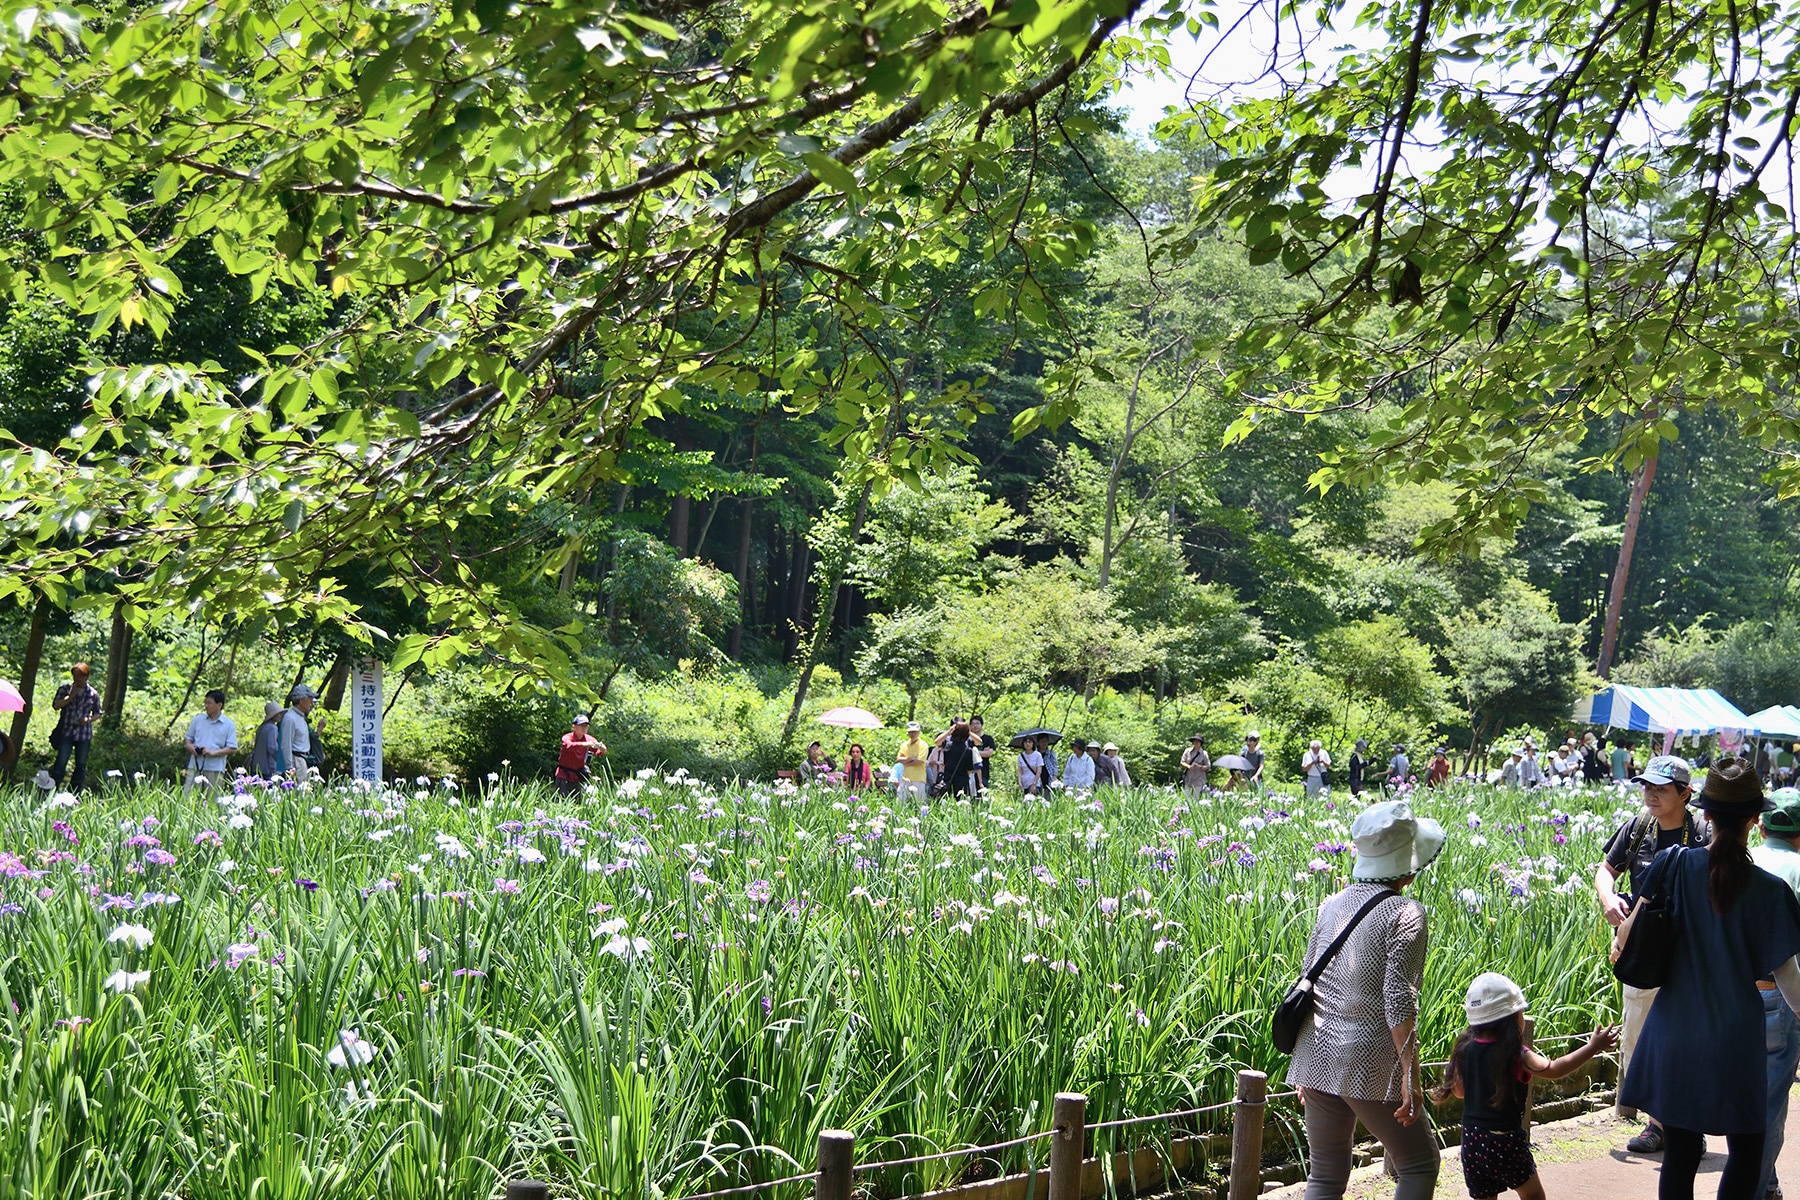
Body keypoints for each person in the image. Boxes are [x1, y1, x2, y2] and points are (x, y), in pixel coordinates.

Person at [1620, 758, 1800, 1200]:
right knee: (1746, 1149)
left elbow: (1627, 934)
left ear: (1706, 814)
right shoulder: (1769, 890)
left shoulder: (1672, 864)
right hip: (1735, 1037)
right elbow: (1790, 981)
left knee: (1680, 1152)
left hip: (1674, 1028)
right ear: (1755, 820)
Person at [1288, 799, 1446, 1200]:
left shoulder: (1331, 904)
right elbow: (1398, 1000)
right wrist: (1410, 1076)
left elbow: (1308, 977)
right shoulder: (1405, 912)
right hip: (1370, 1061)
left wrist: (1308, 1068)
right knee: (1419, 1165)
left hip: (1316, 1053)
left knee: (1325, 1174)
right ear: (1408, 869)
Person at [1593, 753, 1710, 1151]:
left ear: (1685, 794)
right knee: (1639, 1035)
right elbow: (1606, 869)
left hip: (1690, 950)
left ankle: (1667, 1123)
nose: (1651, 795)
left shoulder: (1703, 835)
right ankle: (1656, 1121)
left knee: (1686, 1037)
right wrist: (1609, 900)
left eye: (1661, 789)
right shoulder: (1639, 827)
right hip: (1643, 948)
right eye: (1647, 787)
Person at [1433, 973, 1618, 1200]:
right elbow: (1554, 1069)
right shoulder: (1516, 1054)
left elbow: (1459, 1093)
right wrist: (1593, 1047)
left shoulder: (1464, 1049)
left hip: (1472, 1139)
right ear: (1511, 1018)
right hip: (1505, 1141)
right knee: (1533, 1196)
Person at [1753, 788, 1800, 1200]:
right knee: (1769, 1104)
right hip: (1779, 997)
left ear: (1762, 824)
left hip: (1726, 997)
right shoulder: (1799, 868)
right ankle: (1754, 1188)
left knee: (1741, 1095)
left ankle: (1764, 1184)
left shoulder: (1741, 860)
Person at [47, 662, 102, 793]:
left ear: (86, 677)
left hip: (84, 735)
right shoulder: (65, 689)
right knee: (61, 762)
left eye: (80, 676)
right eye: (75, 676)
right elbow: (56, 705)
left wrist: (88, 719)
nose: (77, 679)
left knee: (81, 765)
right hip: (66, 732)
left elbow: (98, 713)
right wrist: (70, 696)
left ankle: (75, 794)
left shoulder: (93, 694)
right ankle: (52, 791)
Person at [182, 689, 239, 795]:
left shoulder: (228, 724)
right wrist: (190, 747)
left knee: (212, 800)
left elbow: (232, 747)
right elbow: (188, 738)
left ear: (219, 705)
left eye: (209, 703)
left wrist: (213, 753)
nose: (206, 706)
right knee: (189, 797)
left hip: (215, 768)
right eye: (205, 702)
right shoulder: (198, 720)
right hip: (195, 765)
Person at [553, 715, 606, 795]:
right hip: (563, 775)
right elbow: (568, 746)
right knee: (561, 802)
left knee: (577, 804)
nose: (584, 728)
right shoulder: (567, 737)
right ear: (574, 727)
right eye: (581, 726)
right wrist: (584, 744)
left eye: (586, 726)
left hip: (578, 777)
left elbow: (598, 752)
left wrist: (602, 749)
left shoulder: (589, 739)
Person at [276, 684, 317, 780]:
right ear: (301, 700)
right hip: (297, 761)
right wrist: (290, 768)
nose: (312, 703)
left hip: (303, 760)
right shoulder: (290, 718)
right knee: (300, 792)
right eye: (309, 699)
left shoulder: (300, 717)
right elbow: (286, 744)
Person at [939, 720, 980, 797]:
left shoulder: (948, 745)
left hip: (948, 779)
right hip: (962, 781)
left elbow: (937, 741)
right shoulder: (967, 749)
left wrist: (948, 731)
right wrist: (969, 731)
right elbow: (969, 769)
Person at [896, 723, 930, 802]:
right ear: (907, 733)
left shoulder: (923, 745)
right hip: (905, 778)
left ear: (919, 732)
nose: (912, 734)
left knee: (919, 802)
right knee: (900, 801)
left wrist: (905, 761)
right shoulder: (905, 745)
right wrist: (911, 758)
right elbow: (898, 759)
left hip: (918, 778)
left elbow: (919, 761)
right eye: (910, 732)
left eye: (915, 732)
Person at [249, 701, 283, 778]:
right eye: (278, 714)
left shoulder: (261, 727)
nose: (280, 715)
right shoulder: (272, 728)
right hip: (268, 767)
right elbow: (272, 748)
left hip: (257, 765)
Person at [969, 715, 998, 792]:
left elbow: (989, 753)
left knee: (982, 793)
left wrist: (973, 752)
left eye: (977, 723)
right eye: (973, 724)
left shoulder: (988, 739)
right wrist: (982, 752)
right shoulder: (967, 739)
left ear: (982, 725)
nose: (975, 726)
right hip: (968, 770)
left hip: (983, 770)